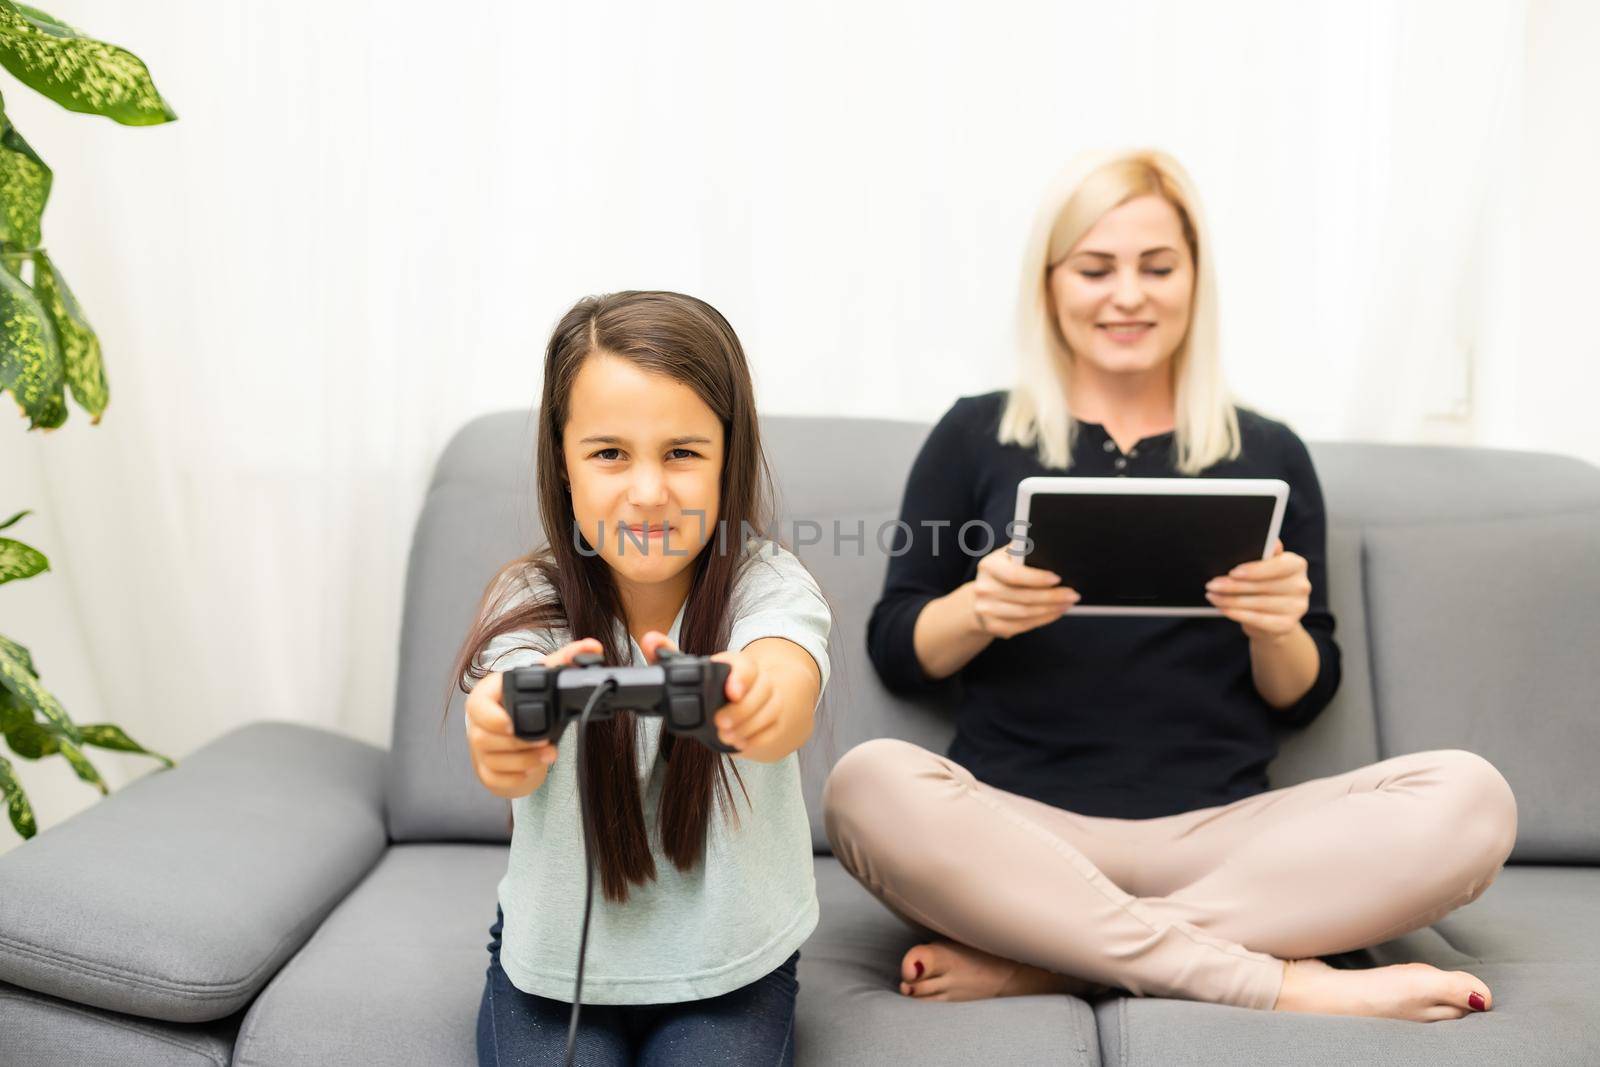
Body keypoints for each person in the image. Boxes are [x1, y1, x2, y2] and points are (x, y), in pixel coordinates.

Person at [822, 149, 1517, 1022]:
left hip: (1224, 840)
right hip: (1018, 832)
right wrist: (975, 609)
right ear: (1051, 282)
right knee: (863, 782)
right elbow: (896, 648)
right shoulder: (974, 435)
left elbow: (1304, 694)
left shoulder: (1267, 452)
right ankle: (1276, 979)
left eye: (1157, 267)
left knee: (1472, 797)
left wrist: (1277, 629)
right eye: (1096, 268)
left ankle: (1055, 962)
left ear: (1195, 280)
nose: (1128, 295)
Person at [450, 291, 830, 1065]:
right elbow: (502, 701)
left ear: (731, 456)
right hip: (553, 972)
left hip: (732, 966)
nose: (649, 491)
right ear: (563, 460)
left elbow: (786, 683)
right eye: (610, 453)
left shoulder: (770, 586)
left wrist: (755, 698)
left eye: (683, 452)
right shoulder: (529, 597)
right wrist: (499, 732)